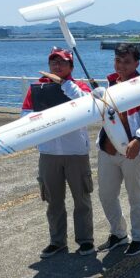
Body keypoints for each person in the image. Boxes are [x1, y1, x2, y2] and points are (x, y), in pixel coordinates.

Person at [21, 47, 94, 258]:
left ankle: (86, 241)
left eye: (62, 62)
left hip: (76, 152)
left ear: (71, 66)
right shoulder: (37, 88)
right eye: (53, 62)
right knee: (53, 201)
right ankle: (57, 241)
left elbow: (88, 106)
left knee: (81, 199)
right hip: (48, 152)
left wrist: (66, 86)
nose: (57, 65)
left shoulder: (78, 86)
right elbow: (25, 115)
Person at [96, 43, 140, 256]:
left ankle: (138, 237)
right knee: (106, 194)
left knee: (136, 196)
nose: (121, 65)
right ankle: (119, 233)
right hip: (107, 148)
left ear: (136, 63)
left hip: (133, 150)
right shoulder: (108, 83)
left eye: (126, 62)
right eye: (118, 60)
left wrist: (139, 139)